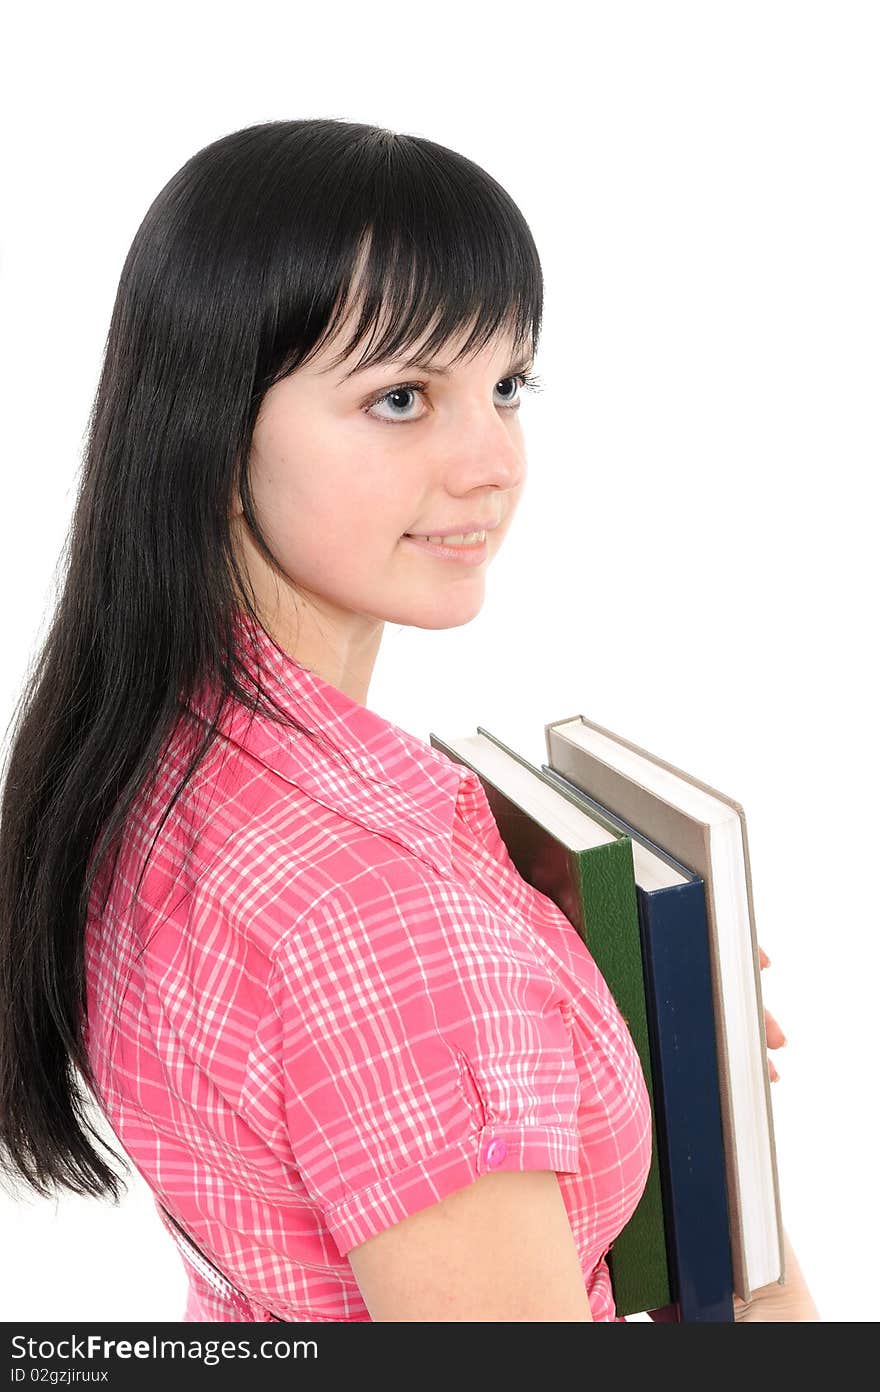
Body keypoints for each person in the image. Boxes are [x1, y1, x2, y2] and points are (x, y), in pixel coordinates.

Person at [0, 117, 818, 1323]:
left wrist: (615, 1040)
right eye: (399, 397)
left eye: (506, 385)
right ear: (211, 433)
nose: (492, 462)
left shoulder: (148, 767)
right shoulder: (389, 922)